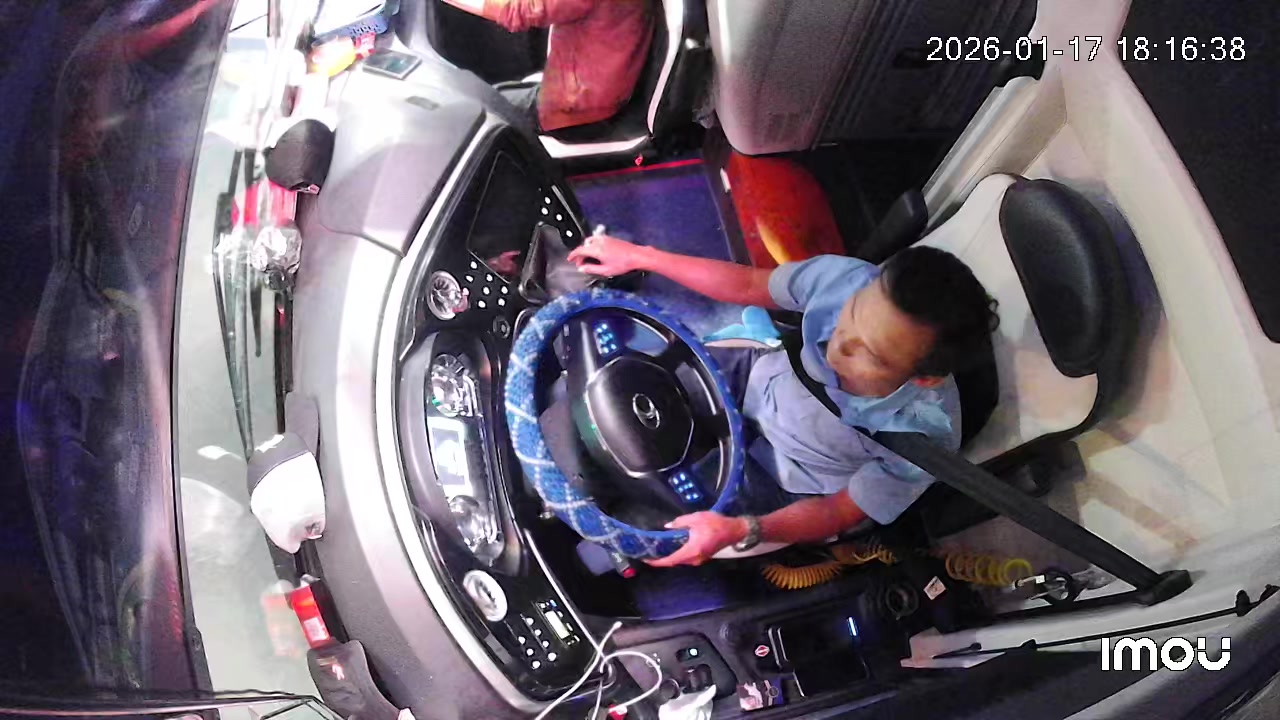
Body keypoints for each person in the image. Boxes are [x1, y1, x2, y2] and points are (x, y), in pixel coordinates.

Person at [567, 236, 998, 567]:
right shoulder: (845, 279)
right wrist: (642, 256)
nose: (839, 343)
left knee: (659, 527)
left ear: (924, 378)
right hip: (759, 376)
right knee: (624, 387)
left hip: (790, 474)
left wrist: (743, 529)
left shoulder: (924, 441)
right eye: (851, 312)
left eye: (872, 353)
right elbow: (749, 283)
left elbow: (836, 512)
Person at [441, 0, 653, 131]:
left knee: (470, 114)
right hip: (602, 88)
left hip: (577, 109)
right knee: (490, 94)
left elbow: (515, 11)